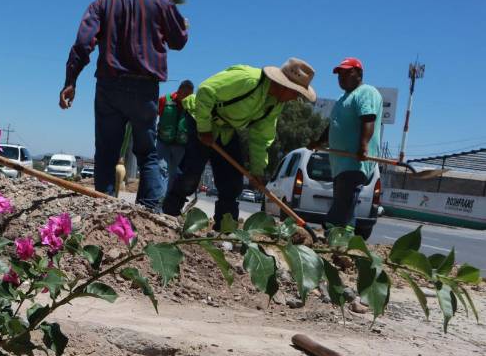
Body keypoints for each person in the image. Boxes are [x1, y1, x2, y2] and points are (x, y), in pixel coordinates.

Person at [59, 0, 189, 210]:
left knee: (107, 152)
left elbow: (83, 43)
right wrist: (185, 29)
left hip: (110, 86)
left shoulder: (102, 3)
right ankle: (149, 211)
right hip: (145, 89)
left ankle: (105, 208)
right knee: (148, 153)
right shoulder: (161, 2)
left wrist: (70, 81)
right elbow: (179, 41)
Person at [161, 59, 317, 223]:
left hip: (226, 129)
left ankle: (225, 227)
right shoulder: (248, 80)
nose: (295, 98)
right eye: (296, 93)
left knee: (232, 182)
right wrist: (204, 128)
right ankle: (169, 214)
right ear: (286, 86)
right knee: (191, 174)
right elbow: (206, 91)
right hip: (200, 116)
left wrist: (257, 171)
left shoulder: (275, 104)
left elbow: (261, 137)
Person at [310, 58, 382, 233]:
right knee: (345, 200)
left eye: (346, 73)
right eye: (339, 74)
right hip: (340, 162)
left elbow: (368, 119)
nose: (341, 77)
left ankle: (332, 229)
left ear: (358, 74)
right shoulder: (343, 98)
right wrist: (319, 142)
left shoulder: (366, 92)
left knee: (345, 199)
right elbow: (333, 125)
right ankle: (344, 233)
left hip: (354, 160)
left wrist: (363, 146)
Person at [157, 79, 194, 194]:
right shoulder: (164, 100)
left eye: (189, 95)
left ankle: (167, 199)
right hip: (163, 142)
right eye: (184, 94)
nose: (186, 98)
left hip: (180, 145)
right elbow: (153, 114)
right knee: (162, 168)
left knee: (172, 173)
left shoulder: (192, 106)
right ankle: (159, 200)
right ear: (179, 91)